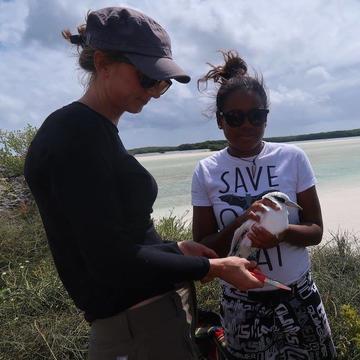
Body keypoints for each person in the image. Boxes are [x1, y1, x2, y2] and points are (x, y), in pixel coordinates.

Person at [24, 8, 263, 360]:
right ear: (103, 63)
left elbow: (119, 238)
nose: (154, 91)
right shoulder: (74, 137)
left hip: (147, 325)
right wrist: (212, 268)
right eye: (146, 77)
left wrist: (176, 248)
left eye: (162, 82)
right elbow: (110, 261)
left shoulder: (94, 131)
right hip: (135, 332)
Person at [191, 50, 336, 359]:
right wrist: (242, 221)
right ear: (220, 120)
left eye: (257, 115)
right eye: (235, 117)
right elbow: (205, 249)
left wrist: (280, 234)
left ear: (267, 116)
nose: (247, 125)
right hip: (240, 304)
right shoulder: (206, 171)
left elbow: (315, 230)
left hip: (298, 294)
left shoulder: (293, 158)